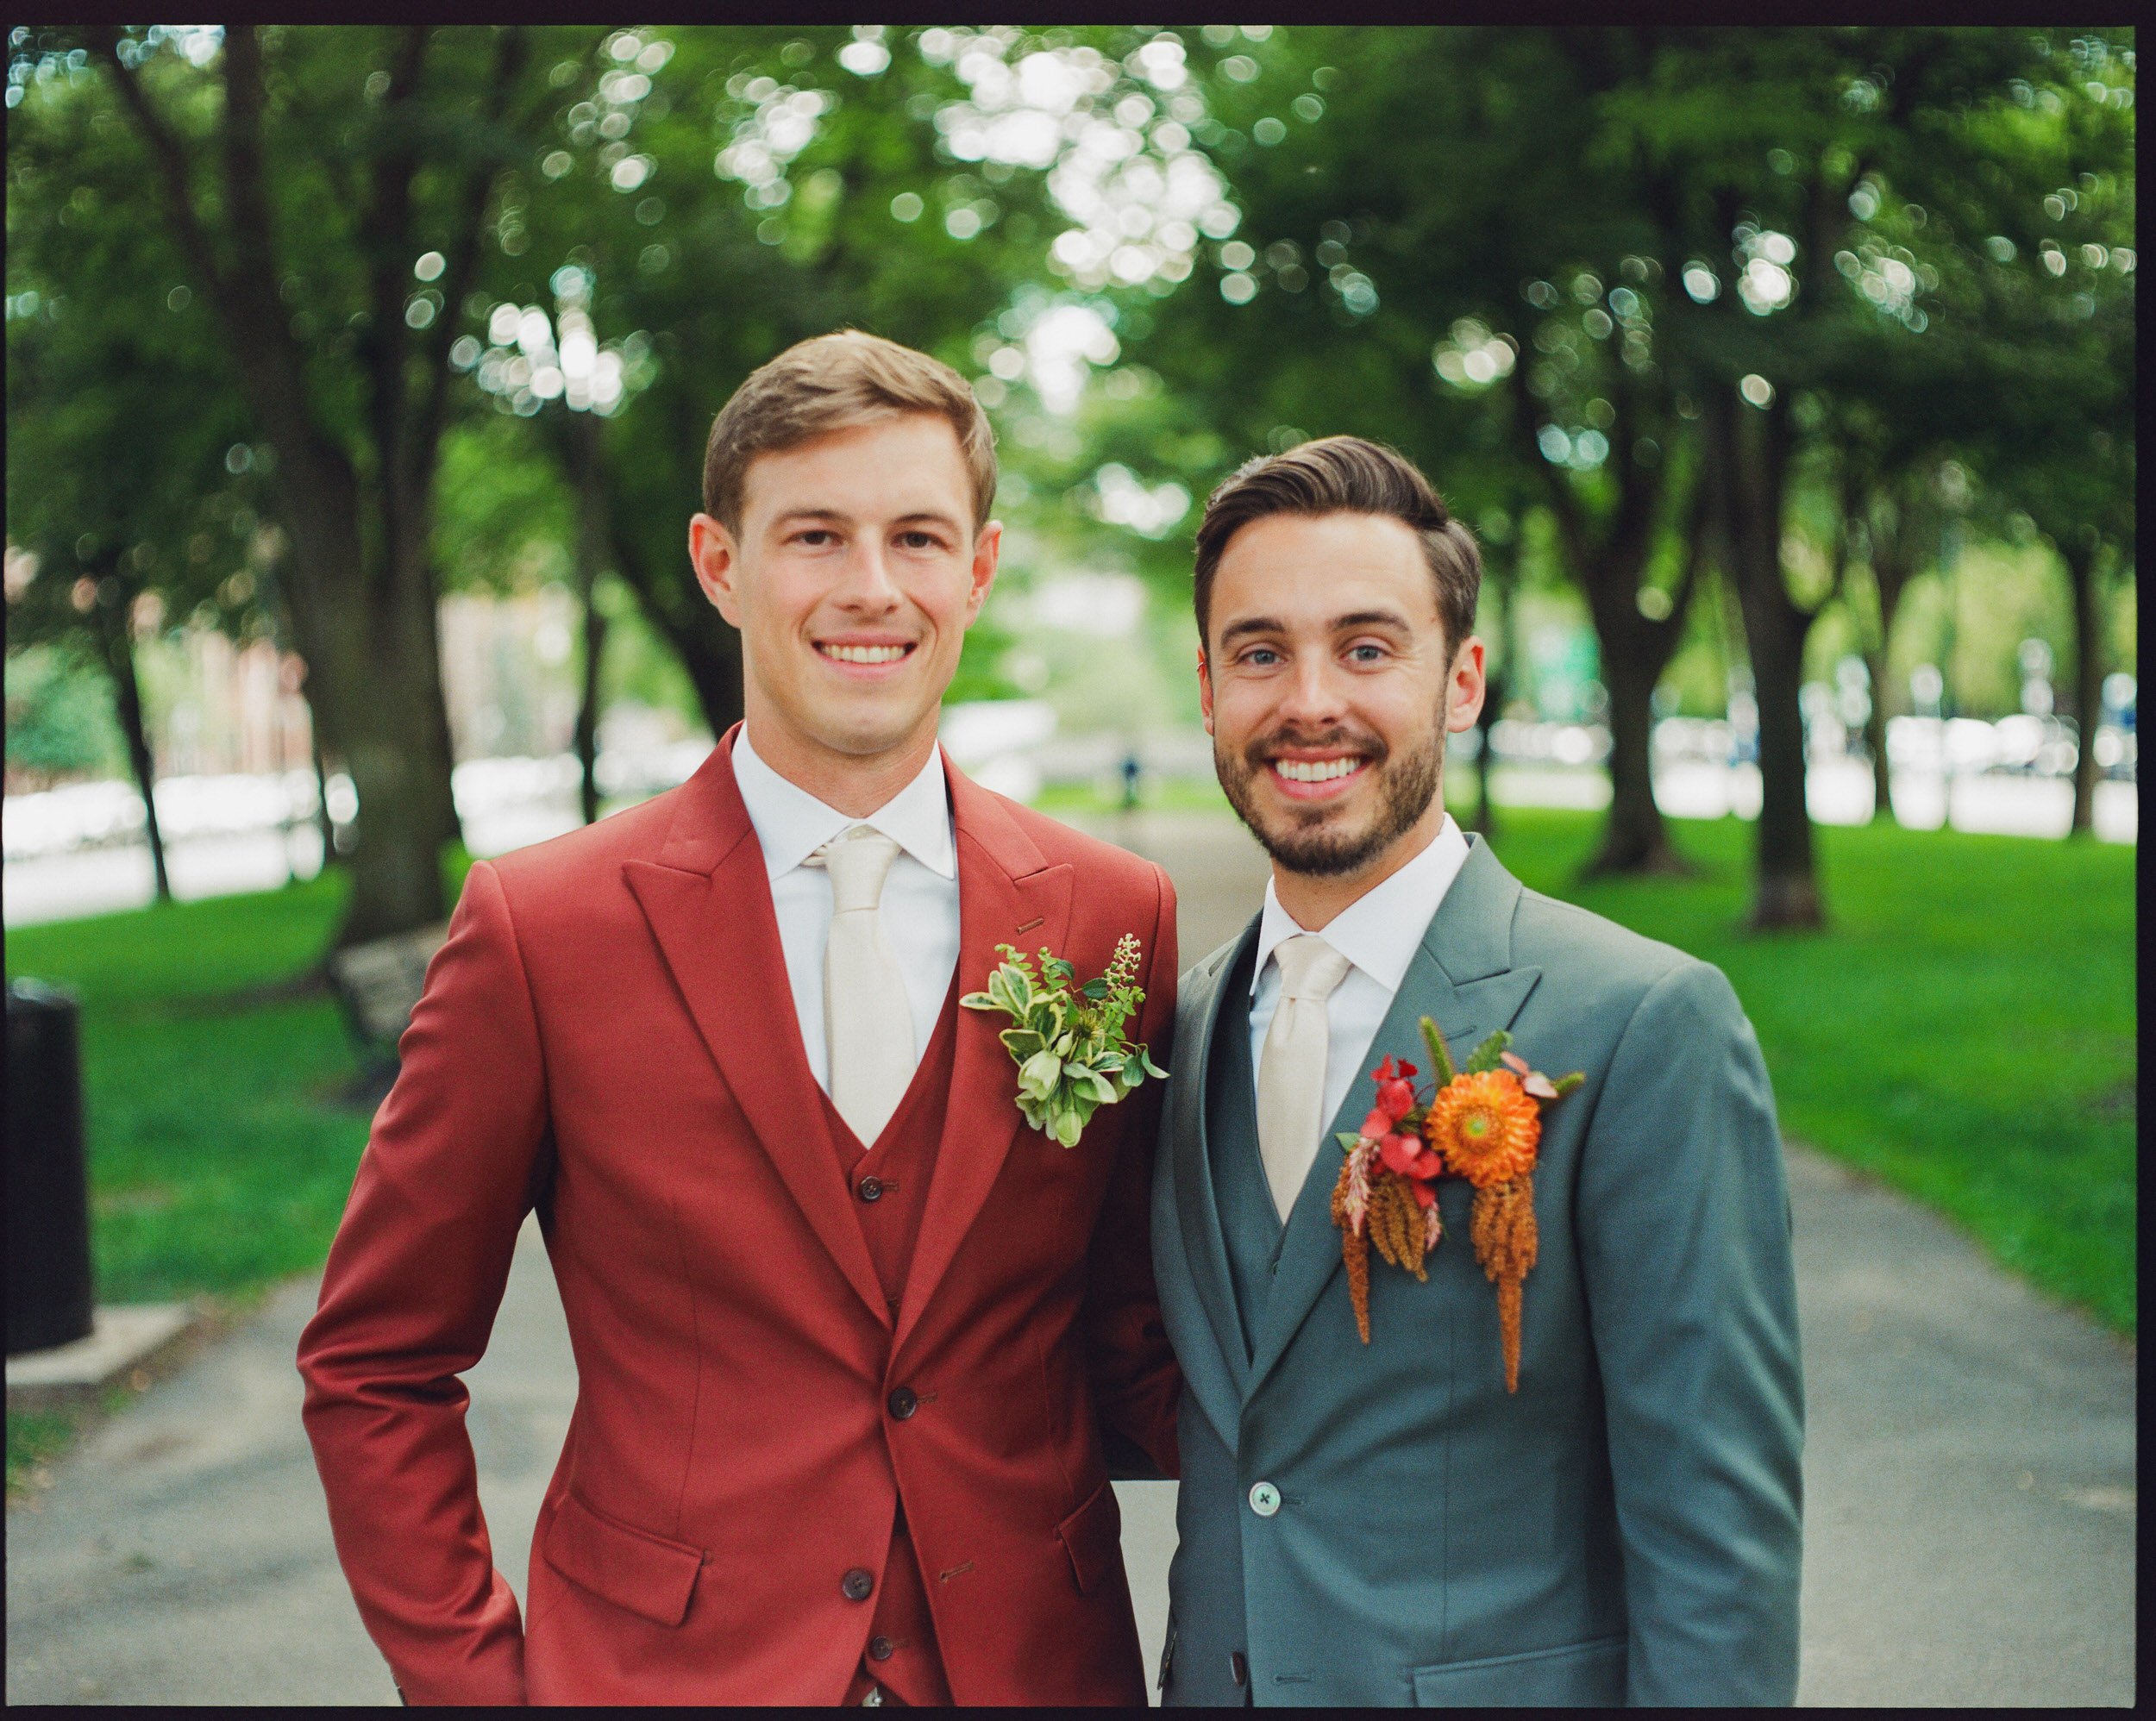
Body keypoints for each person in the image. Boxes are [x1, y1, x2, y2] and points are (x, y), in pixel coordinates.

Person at [298, 331, 1181, 1706]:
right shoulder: (544, 928)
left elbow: (1136, 1336)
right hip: (664, 1673)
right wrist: (475, 1685)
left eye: (917, 538)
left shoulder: (1113, 916)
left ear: (979, 568)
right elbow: (377, 1362)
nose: (872, 586)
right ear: (719, 564)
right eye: (815, 537)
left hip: (1034, 1669)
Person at [1149, 436, 1802, 1706]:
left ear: (1462, 682)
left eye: (1367, 648)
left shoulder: (1644, 1023)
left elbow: (1715, 1530)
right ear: (1210, 688)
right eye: (1260, 653)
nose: (1309, 703)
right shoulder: (1180, 1029)